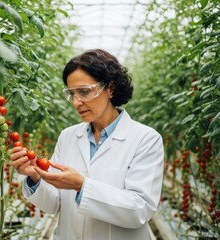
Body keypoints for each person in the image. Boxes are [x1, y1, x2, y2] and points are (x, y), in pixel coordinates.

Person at [10, 49, 164, 240]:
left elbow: (139, 209)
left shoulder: (145, 139)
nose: (76, 102)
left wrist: (81, 186)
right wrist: (35, 177)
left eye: (84, 92)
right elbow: (54, 205)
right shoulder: (68, 137)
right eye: (71, 94)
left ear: (110, 88)